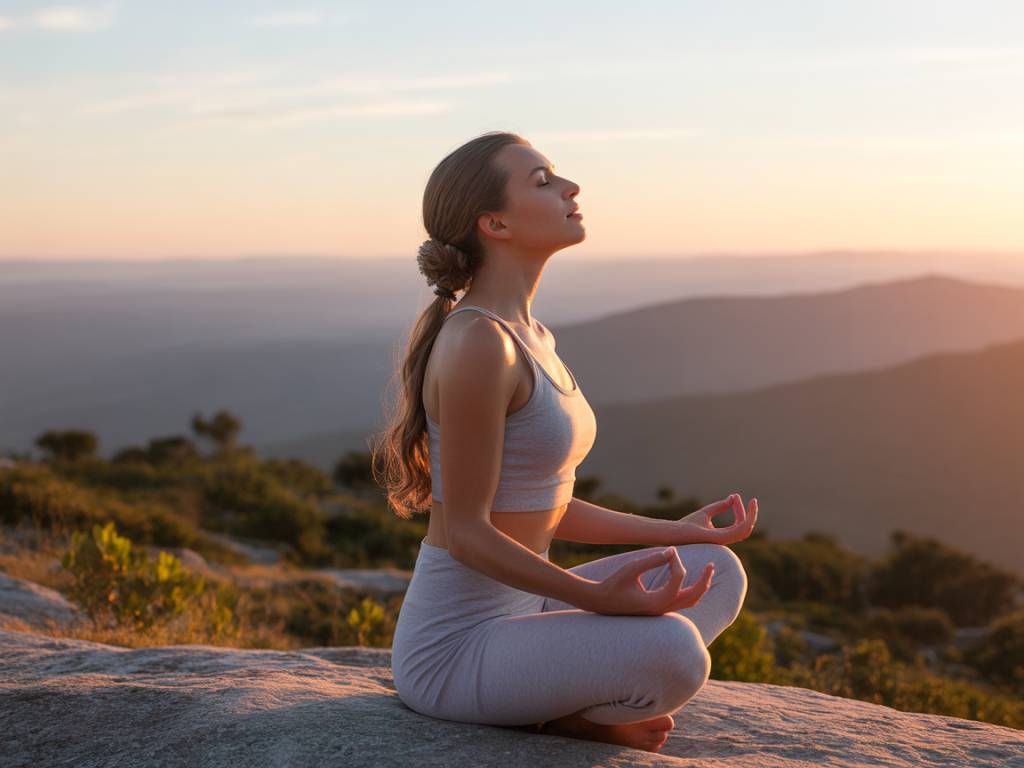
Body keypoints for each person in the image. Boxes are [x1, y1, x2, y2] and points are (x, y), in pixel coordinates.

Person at [370, 130, 758, 754]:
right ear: (493, 222)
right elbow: (467, 531)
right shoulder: (478, 343)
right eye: (543, 181)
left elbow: (540, 504)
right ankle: (567, 718)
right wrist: (593, 597)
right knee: (675, 654)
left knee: (716, 571)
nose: (571, 187)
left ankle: (564, 710)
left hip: (527, 613)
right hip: (456, 650)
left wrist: (676, 531)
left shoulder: (531, 335)